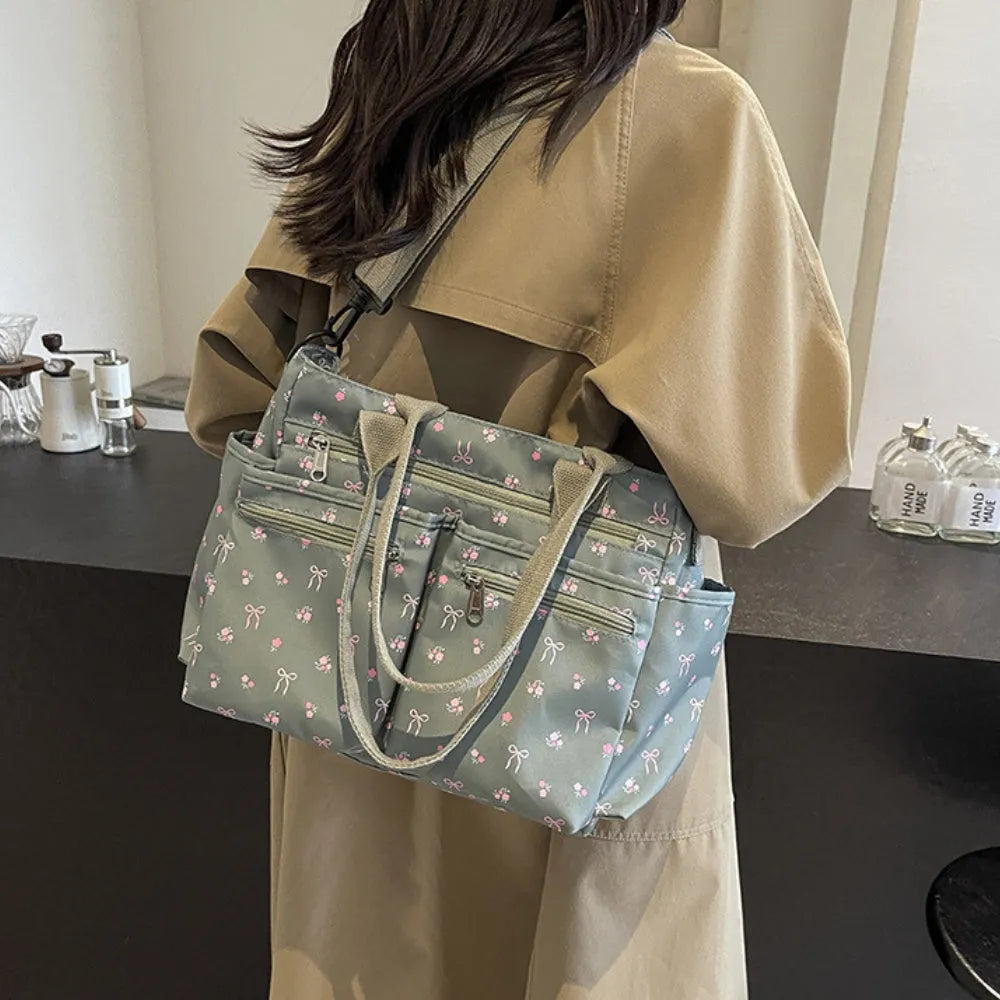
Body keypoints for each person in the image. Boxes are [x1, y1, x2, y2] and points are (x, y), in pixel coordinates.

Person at [185, 3, 852, 998]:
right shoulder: (686, 115)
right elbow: (761, 476)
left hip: (348, 694)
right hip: (571, 704)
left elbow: (231, 396)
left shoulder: (390, 92)